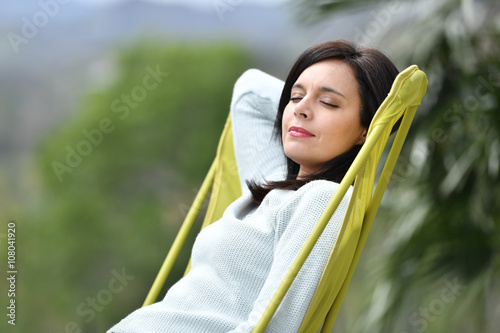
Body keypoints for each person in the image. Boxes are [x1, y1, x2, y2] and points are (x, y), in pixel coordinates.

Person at [107, 40, 399, 333]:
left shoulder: (322, 199)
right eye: (295, 97)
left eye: (328, 103)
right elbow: (250, 90)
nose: (301, 110)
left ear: (367, 129)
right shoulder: (272, 188)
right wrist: (311, 102)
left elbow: (272, 327)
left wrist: (382, 127)